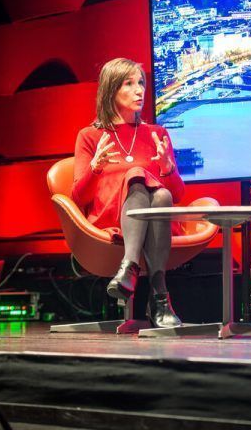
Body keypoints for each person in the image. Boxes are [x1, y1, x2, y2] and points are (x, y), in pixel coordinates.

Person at [72, 58, 185, 328]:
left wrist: (168, 168)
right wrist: (95, 168)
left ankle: (129, 269)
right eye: (129, 84)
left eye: (142, 83)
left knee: (162, 196)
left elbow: (177, 195)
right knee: (137, 176)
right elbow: (78, 198)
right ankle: (159, 297)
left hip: (156, 220)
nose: (140, 91)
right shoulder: (89, 136)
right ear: (111, 90)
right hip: (110, 219)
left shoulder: (157, 133)